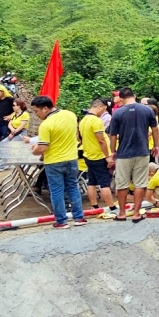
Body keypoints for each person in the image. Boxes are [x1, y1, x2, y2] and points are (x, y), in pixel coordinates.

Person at [30, 95, 86, 229]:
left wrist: (34, 150)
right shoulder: (70, 115)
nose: (36, 114)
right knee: (73, 187)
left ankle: (61, 221)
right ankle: (79, 217)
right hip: (72, 159)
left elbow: (43, 147)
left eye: (36, 111)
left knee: (56, 191)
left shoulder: (46, 125)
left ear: (45, 109)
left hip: (54, 161)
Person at [107, 88, 159, 223]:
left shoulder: (118, 113)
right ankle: (136, 214)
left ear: (121, 98)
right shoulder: (147, 110)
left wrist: (112, 151)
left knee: (122, 184)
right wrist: (156, 146)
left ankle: (122, 213)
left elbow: (112, 135)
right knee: (140, 183)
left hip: (124, 153)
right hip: (142, 151)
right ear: (134, 96)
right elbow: (155, 129)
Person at [79, 99, 118, 218]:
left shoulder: (83, 120)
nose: (103, 112)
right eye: (104, 109)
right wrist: (107, 156)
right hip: (98, 156)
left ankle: (94, 206)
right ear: (100, 106)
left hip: (88, 155)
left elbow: (80, 138)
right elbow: (101, 140)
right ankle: (112, 207)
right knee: (104, 183)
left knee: (92, 182)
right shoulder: (96, 121)